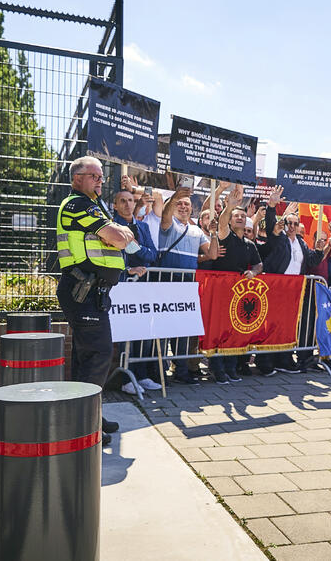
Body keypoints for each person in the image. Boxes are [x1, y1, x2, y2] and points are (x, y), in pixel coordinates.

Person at [56, 156, 140, 444]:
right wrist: (118, 235)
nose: (100, 180)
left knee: (86, 359)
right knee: (99, 354)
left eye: (102, 176)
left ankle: (90, 417)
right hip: (83, 290)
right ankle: (84, 427)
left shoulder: (94, 206)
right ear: (77, 177)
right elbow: (118, 238)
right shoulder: (77, 204)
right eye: (94, 175)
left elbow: (118, 238)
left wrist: (118, 235)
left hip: (92, 291)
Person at [259, 186, 325, 375]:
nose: (292, 227)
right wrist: (272, 205)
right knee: (271, 325)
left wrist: (319, 250)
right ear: (284, 224)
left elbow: (311, 261)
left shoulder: (302, 243)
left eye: (296, 224)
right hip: (276, 288)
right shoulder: (278, 238)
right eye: (289, 223)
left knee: (289, 326)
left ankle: (285, 360)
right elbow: (271, 222)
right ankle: (266, 362)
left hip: (295, 291)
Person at [159, 186, 217, 384]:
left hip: (187, 285)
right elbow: (166, 214)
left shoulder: (196, 230)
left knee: (182, 328)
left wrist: (214, 233)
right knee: (164, 328)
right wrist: (175, 196)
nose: (183, 207)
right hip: (166, 283)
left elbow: (212, 254)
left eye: (187, 204)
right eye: (180, 204)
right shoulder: (168, 223)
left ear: (192, 210)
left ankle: (181, 370)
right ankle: (161, 369)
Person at [207, 186, 263, 383]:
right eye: (235, 216)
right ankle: (217, 369)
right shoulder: (226, 235)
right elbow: (221, 224)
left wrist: (254, 272)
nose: (239, 218)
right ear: (230, 220)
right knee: (218, 331)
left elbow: (259, 264)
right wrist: (229, 206)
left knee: (232, 331)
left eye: (242, 216)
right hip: (221, 291)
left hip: (238, 294)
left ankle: (231, 368)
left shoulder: (250, 244)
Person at [110, 188, 160, 395]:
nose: (127, 204)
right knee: (127, 333)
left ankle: (141, 375)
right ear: (115, 205)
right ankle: (126, 378)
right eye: (122, 201)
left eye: (130, 200)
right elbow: (112, 254)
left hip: (142, 288)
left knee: (144, 331)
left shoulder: (142, 226)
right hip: (121, 286)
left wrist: (135, 249)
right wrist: (127, 268)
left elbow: (152, 254)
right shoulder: (111, 226)